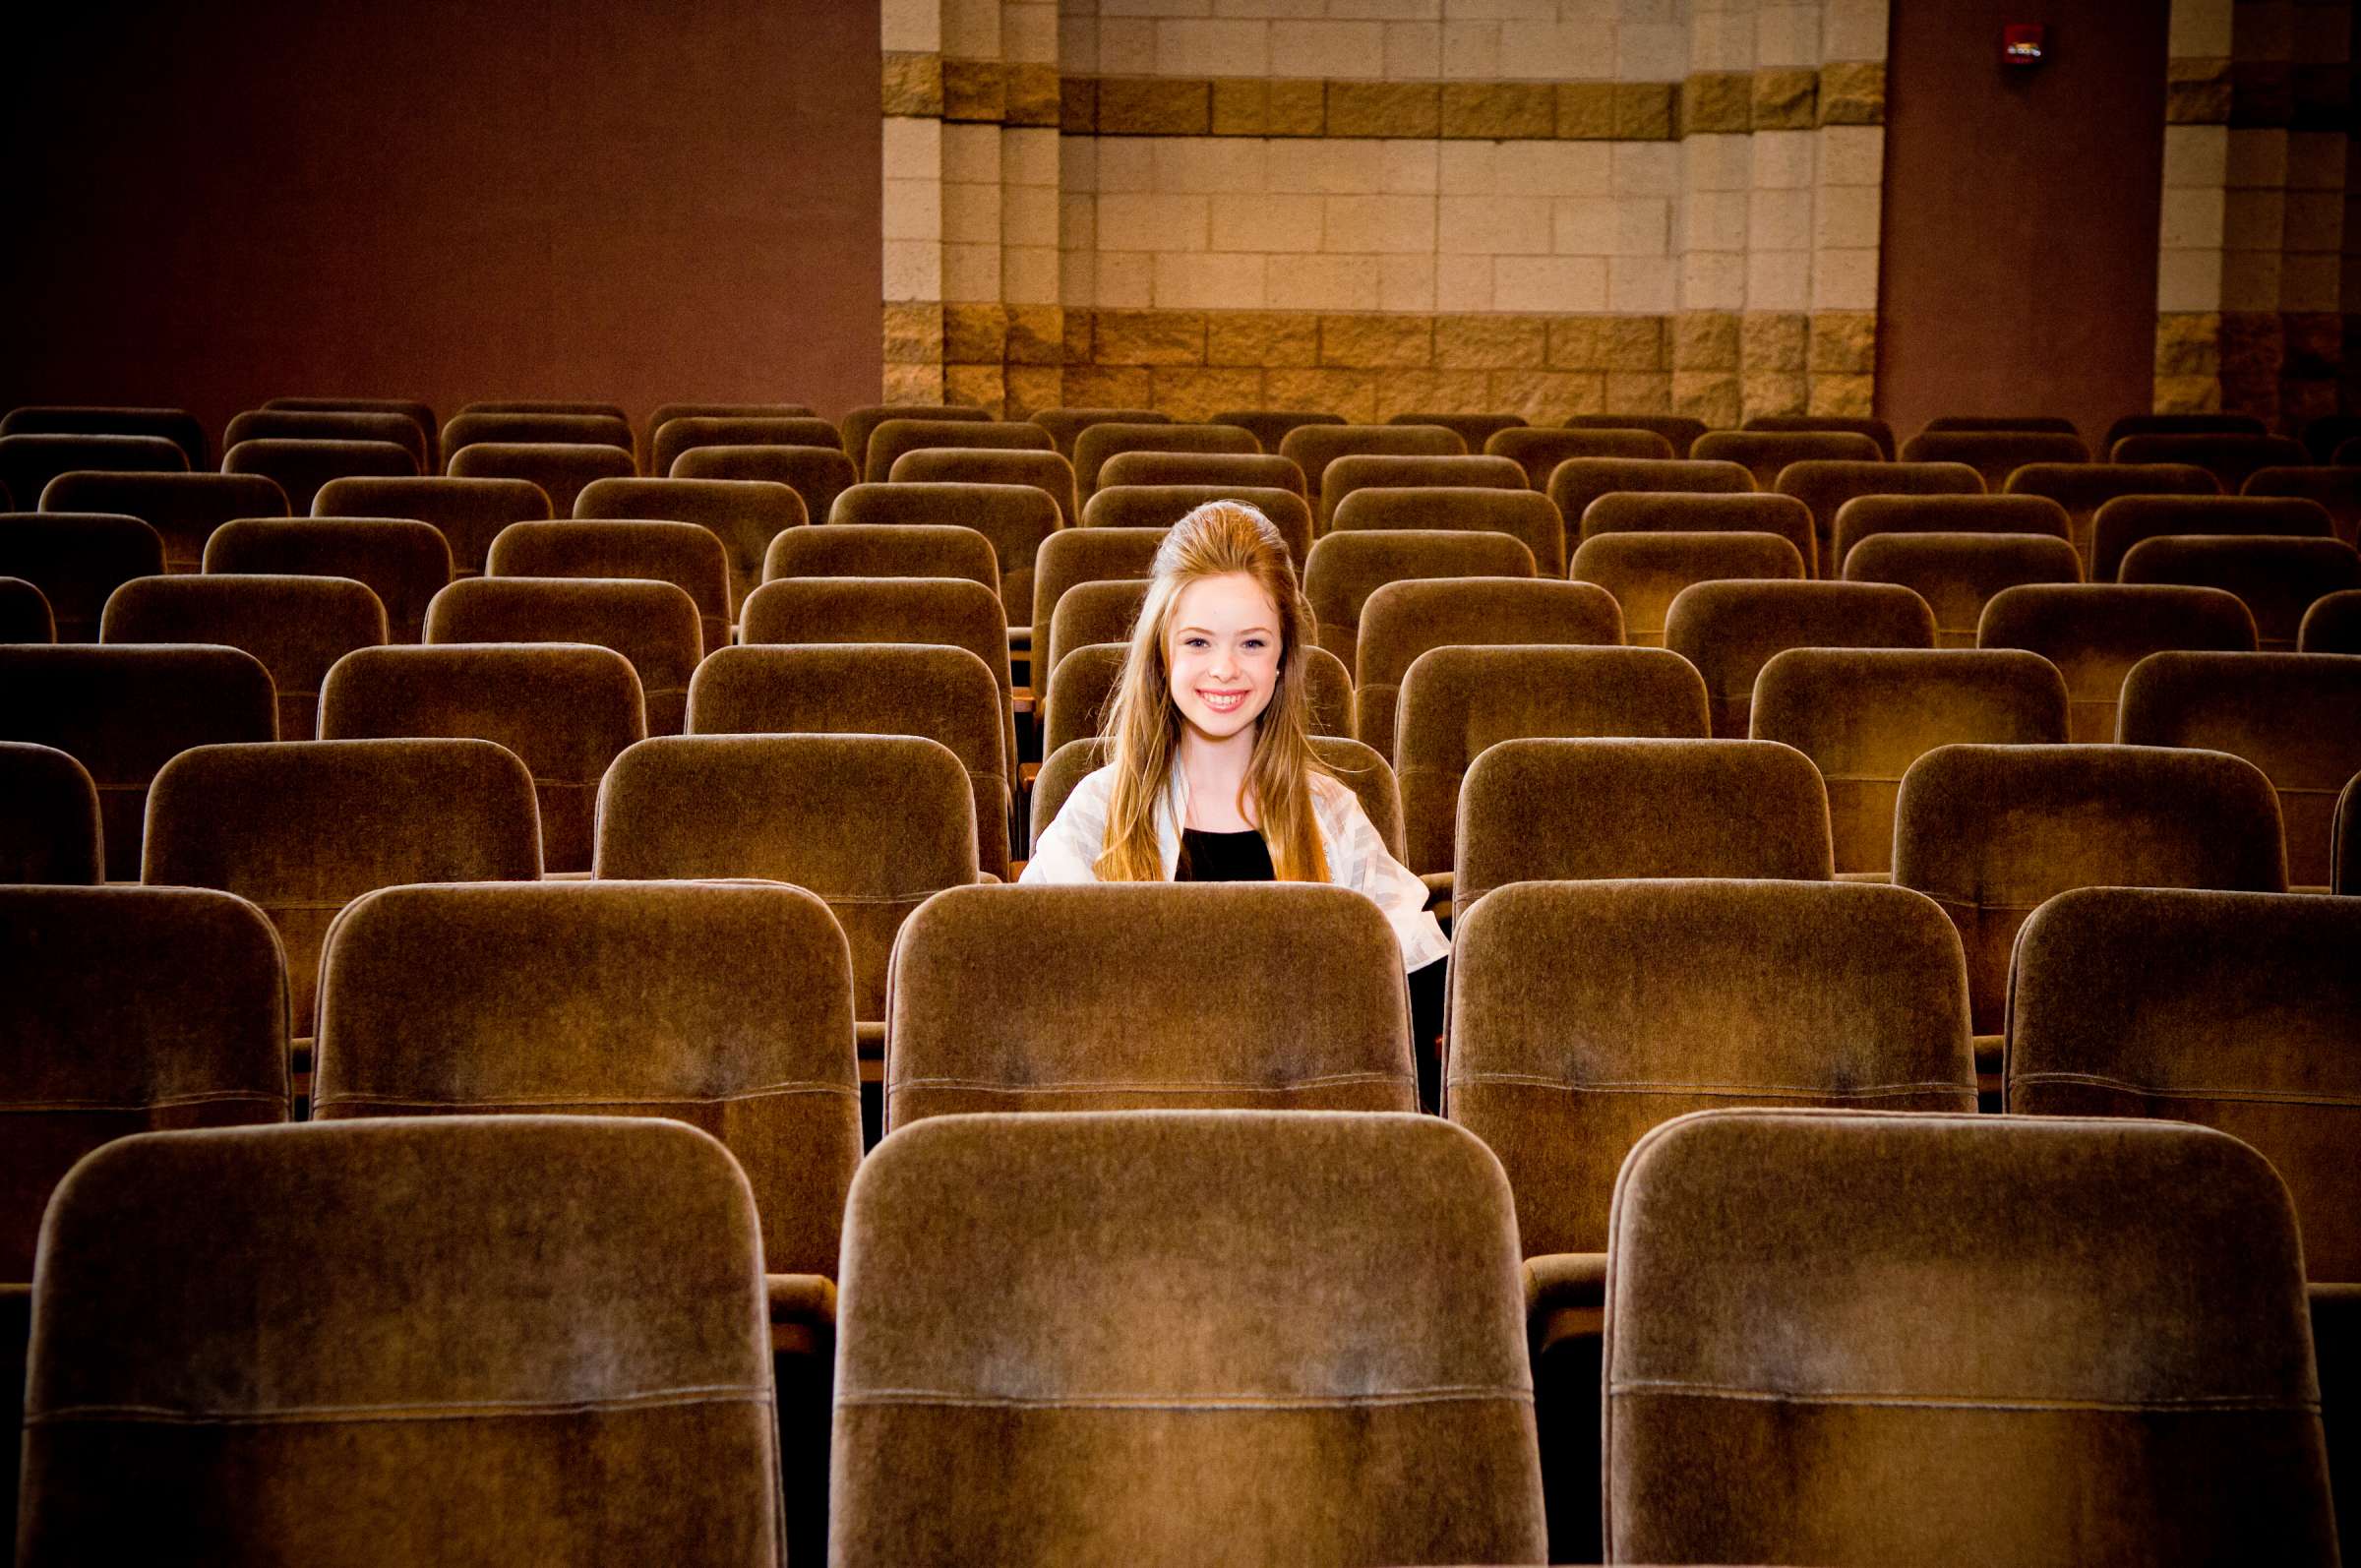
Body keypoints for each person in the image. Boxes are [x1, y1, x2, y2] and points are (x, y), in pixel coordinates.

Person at [1021, 499, 1449, 1105]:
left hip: (1303, 1136)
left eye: (1251, 643)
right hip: (1135, 1129)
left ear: (1282, 661)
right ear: (1162, 654)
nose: (1225, 669)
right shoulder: (1099, 812)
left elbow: (1413, 989)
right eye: (1197, 642)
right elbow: (1032, 993)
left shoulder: (1331, 812)